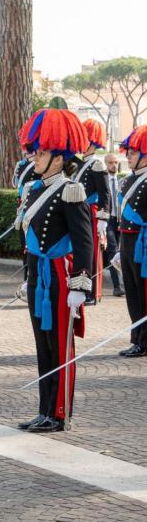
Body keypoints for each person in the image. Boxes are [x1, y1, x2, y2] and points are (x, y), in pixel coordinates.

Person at [16, 109, 93, 433]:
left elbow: (84, 242)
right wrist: (27, 277)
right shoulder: (35, 190)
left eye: (43, 151)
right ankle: (44, 407)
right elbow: (30, 240)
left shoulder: (70, 191)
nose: (36, 156)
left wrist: (80, 286)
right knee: (42, 344)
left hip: (61, 279)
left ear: (59, 158)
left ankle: (59, 412)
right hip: (39, 277)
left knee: (60, 345)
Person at [115, 127, 147, 358]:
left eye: (134, 153)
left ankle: (144, 341)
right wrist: (119, 248)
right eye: (129, 152)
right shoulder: (127, 181)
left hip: (143, 244)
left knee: (144, 293)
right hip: (127, 241)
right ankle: (136, 338)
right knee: (132, 294)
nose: (128, 157)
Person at [70, 120, 110, 304]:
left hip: (92, 213)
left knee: (92, 252)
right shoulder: (80, 163)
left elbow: (105, 194)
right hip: (81, 212)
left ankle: (92, 293)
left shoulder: (96, 165)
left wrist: (103, 217)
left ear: (93, 142)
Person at [13, 150, 38, 280]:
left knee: (31, 242)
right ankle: (26, 276)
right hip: (22, 206)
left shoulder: (39, 163)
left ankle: (31, 276)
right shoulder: (21, 165)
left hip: (33, 206)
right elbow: (15, 184)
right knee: (24, 243)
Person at [103, 153, 125, 297]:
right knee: (112, 250)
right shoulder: (102, 179)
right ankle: (117, 286)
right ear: (106, 163)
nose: (114, 165)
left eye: (116, 163)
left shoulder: (121, 181)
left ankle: (124, 283)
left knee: (120, 251)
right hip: (107, 220)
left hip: (119, 220)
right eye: (111, 162)